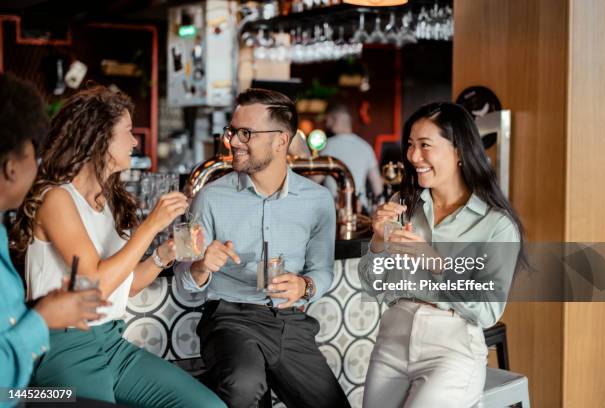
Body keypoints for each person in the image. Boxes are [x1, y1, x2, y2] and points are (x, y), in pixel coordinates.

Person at [11, 85, 225, 408]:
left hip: (112, 342)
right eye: (128, 132)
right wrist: (151, 224)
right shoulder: (56, 198)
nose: (135, 141)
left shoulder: (106, 199)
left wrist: (162, 255)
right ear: (100, 138)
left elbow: (125, 287)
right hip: (65, 345)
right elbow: (96, 283)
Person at [175, 88, 350, 408]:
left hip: (290, 323)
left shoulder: (319, 200)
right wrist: (200, 267)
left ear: (281, 140)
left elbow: (322, 270)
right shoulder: (208, 198)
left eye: (246, 133)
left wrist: (305, 285)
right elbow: (182, 275)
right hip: (229, 318)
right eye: (232, 131)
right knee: (243, 387)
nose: (233, 141)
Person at [358, 102, 526, 408]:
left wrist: (435, 262)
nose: (413, 156)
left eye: (425, 145)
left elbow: (489, 311)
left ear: (459, 150)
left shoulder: (496, 225)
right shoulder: (404, 203)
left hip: (452, 348)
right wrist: (379, 241)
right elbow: (373, 285)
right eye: (410, 145)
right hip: (392, 341)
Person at [0, 73, 107, 400]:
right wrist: (44, 318)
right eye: (34, 151)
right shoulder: (57, 198)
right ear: (11, 167)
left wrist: (44, 307)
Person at [321, 103, 384, 211]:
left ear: (334, 119)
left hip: (334, 209)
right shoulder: (366, 146)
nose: (326, 125)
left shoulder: (328, 145)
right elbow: (378, 188)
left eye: (327, 120)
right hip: (360, 210)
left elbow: (315, 180)